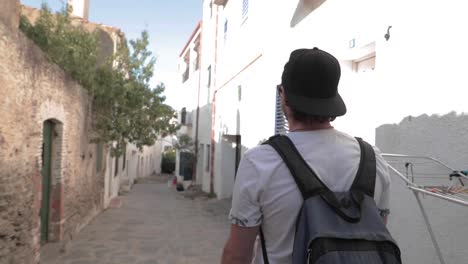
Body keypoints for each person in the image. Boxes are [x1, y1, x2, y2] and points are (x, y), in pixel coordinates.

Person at [221, 47, 391, 264]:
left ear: (284, 96)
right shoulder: (374, 159)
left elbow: (238, 254)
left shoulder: (260, 162)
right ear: (333, 99)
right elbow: (377, 233)